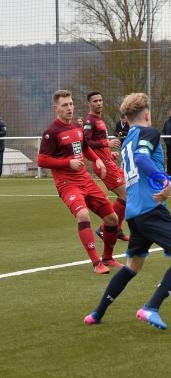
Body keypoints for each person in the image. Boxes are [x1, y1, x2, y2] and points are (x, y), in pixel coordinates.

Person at [84, 92, 171, 330]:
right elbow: (142, 161)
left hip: (134, 213)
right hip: (152, 210)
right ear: (147, 114)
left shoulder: (129, 139)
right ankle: (151, 307)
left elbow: (142, 171)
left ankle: (97, 313)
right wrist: (163, 181)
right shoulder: (150, 133)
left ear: (126, 119)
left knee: (132, 267)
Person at [37, 89, 121, 274]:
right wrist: (67, 162)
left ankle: (108, 258)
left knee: (112, 218)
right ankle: (96, 263)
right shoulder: (51, 132)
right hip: (67, 184)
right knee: (83, 215)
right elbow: (41, 160)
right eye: (64, 105)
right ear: (56, 109)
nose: (69, 108)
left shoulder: (77, 127)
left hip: (85, 180)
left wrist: (96, 159)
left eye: (71, 104)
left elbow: (84, 148)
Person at [84, 91, 129, 242]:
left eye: (100, 100)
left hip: (108, 161)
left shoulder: (99, 119)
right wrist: (106, 144)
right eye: (95, 101)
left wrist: (110, 153)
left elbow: (99, 142)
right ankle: (106, 229)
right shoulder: (89, 121)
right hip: (102, 164)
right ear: (89, 104)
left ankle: (116, 228)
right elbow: (86, 143)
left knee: (128, 192)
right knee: (126, 195)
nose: (99, 103)